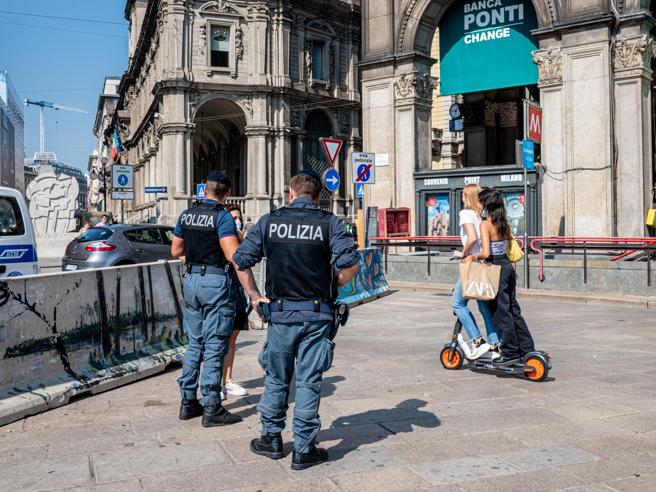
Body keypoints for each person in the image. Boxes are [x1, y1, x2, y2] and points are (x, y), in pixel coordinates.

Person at [232, 170, 360, 470]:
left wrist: (253, 295)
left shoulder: (269, 222)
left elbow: (240, 260)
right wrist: (335, 284)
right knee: (309, 380)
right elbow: (351, 264)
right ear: (318, 197)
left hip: (280, 313)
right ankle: (303, 448)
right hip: (317, 313)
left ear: (291, 193)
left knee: (276, 378)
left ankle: (271, 439)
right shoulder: (330, 223)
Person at [170, 170, 247, 427]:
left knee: (195, 343)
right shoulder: (223, 217)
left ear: (204, 190)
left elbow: (176, 250)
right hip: (215, 282)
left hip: (191, 280)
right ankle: (212, 406)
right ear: (225, 193)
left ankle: (188, 401)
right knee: (215, 345)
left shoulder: (187, 214)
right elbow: (232, 255)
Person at [466, 188, 536, 364]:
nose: (479, 205)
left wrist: (471, 256)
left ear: (486, 205)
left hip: (495, 268)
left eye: (481, 202)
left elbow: (486, 252)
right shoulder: (503, 223)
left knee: (500, 312)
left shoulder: (485, 224)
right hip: (507, 267)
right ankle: (526, 348)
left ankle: (510, 351)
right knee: (513, 310)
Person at [451, 184, 500, 356]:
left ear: (469, 197)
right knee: (483, 305)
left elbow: (471, 238)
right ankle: (494, 343)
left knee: (458, 303)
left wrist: (462, 253)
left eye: (464, 195)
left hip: (471, 264)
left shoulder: (465, 214)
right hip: (482, 263)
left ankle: (477, 340)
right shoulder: (480, 216)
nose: (461, 198)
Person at [221, 204, 250, 400]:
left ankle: (228, 380)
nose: (236, 220)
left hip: (237, 291)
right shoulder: (221, 237)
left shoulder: (241, 238)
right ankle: (217, 383)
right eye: (232, 218)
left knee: (233, 337)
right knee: (220, 338)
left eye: (238, 217)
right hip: (223, 291)